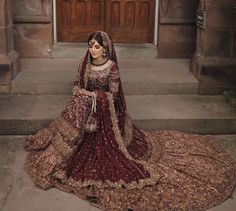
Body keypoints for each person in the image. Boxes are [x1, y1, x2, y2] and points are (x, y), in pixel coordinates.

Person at [25, 31, 236, 211]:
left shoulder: (111, 68)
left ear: (105, 49)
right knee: (77, 103)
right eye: (90, 46)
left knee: (83, 104)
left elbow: (113, 95)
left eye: (97, 47)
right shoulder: (85, 65)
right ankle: (66, 143)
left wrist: (89, 96)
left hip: (105, 110)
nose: (92, 50)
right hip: (87, 109)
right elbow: (79, 83)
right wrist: (78, 91)